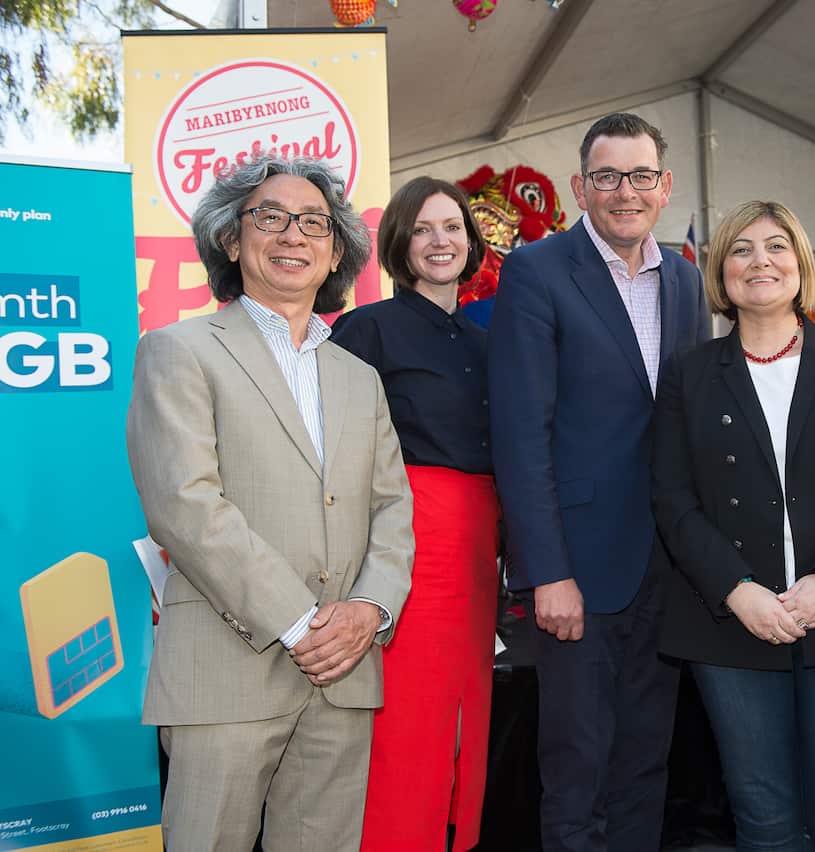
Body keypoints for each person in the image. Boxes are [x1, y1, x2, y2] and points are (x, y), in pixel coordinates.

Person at [126, 155, 414, 851]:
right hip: (225, 670)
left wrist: (367, 611)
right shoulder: (178, 350)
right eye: (272, 217)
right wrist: (300, 622)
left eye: (314, 222)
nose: (294, 235)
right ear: (232, 239)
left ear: (337, 250)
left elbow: (393, 510)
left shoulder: (359, 375)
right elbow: (185, 505)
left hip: (343, 675)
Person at [653, 200, 815, 852]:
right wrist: (736, 589)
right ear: (721, 271)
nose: (759, 261)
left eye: (776, 246)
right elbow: (671, 496)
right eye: (741, 249)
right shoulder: (688, 373)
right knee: (764, 824)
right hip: (733, 625)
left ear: (801, 263)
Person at [487, 112, 711, 852]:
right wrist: (547, 573)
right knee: (577, 770)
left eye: (641, 176)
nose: (625, 191)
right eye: (608, 176)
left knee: (646, 765)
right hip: (579, 571)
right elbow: (521, 436)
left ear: (665, 186)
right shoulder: (537, 271)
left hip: (667, 571)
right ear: (581, 188)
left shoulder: (685, 281)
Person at [329, 176, 497, 851]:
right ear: (398, 242)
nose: (440, 241)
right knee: (407, 719)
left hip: (480, 545)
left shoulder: (489, 341)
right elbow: (334, 453)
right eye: (423, 228)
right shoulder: (365, 330)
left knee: (467, 710)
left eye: (452, 227)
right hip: (407, 540)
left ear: (471, 240)